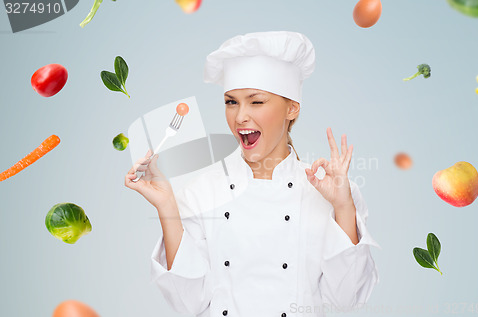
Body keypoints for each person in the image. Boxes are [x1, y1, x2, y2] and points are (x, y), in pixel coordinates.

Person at [125, 31, 380, 317]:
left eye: (256, 101)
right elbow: (189, 304)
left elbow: (346, 300)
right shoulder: (202, 192)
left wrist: (344, 207)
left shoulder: (331, 192)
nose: (240, 116)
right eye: (231, 102)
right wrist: (167, 207)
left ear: (292, 108)